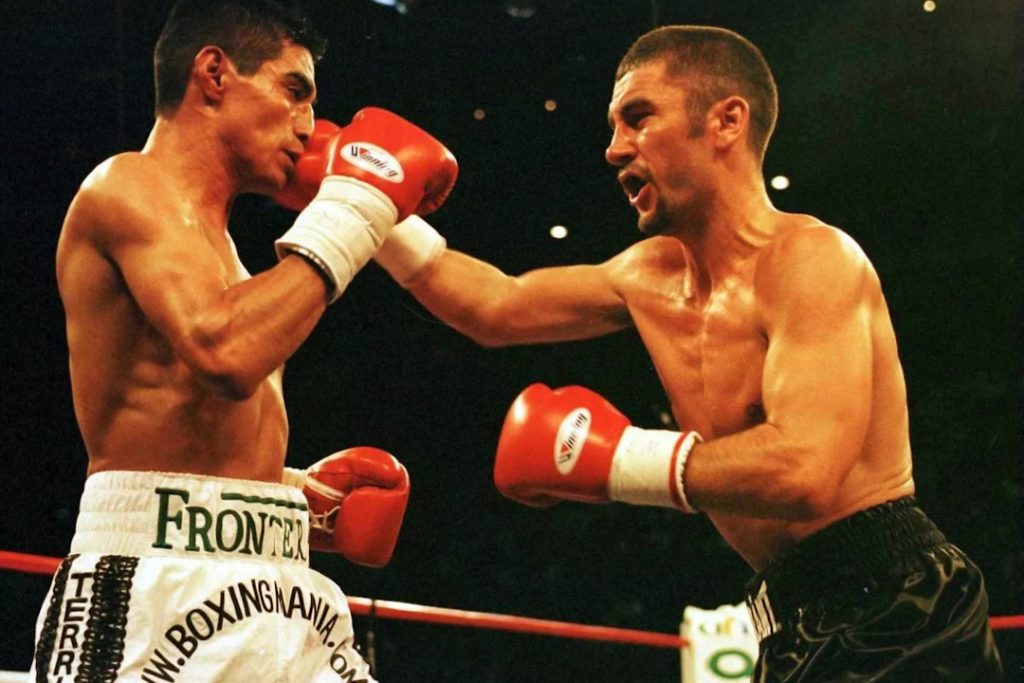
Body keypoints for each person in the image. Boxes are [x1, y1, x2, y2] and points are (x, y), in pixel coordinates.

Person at [371, 25, 1003, 681]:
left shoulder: (809, 259)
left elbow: (805, 468)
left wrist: (615, 460)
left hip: (899, 606)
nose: (615, 148)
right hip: (791, 617)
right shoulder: (644, 275)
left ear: (726, 120)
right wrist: (367, 207)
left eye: (639, 117)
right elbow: (495, 306)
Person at [30, 1, 456, 680]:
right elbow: (224, 351)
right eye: (293, 91)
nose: (311, 126)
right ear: (214, 73)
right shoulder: (124, 186)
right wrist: (358, 206)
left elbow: (188, 423)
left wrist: (295, 499)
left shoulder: (231, 257)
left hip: (281, 590)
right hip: (152, 587)